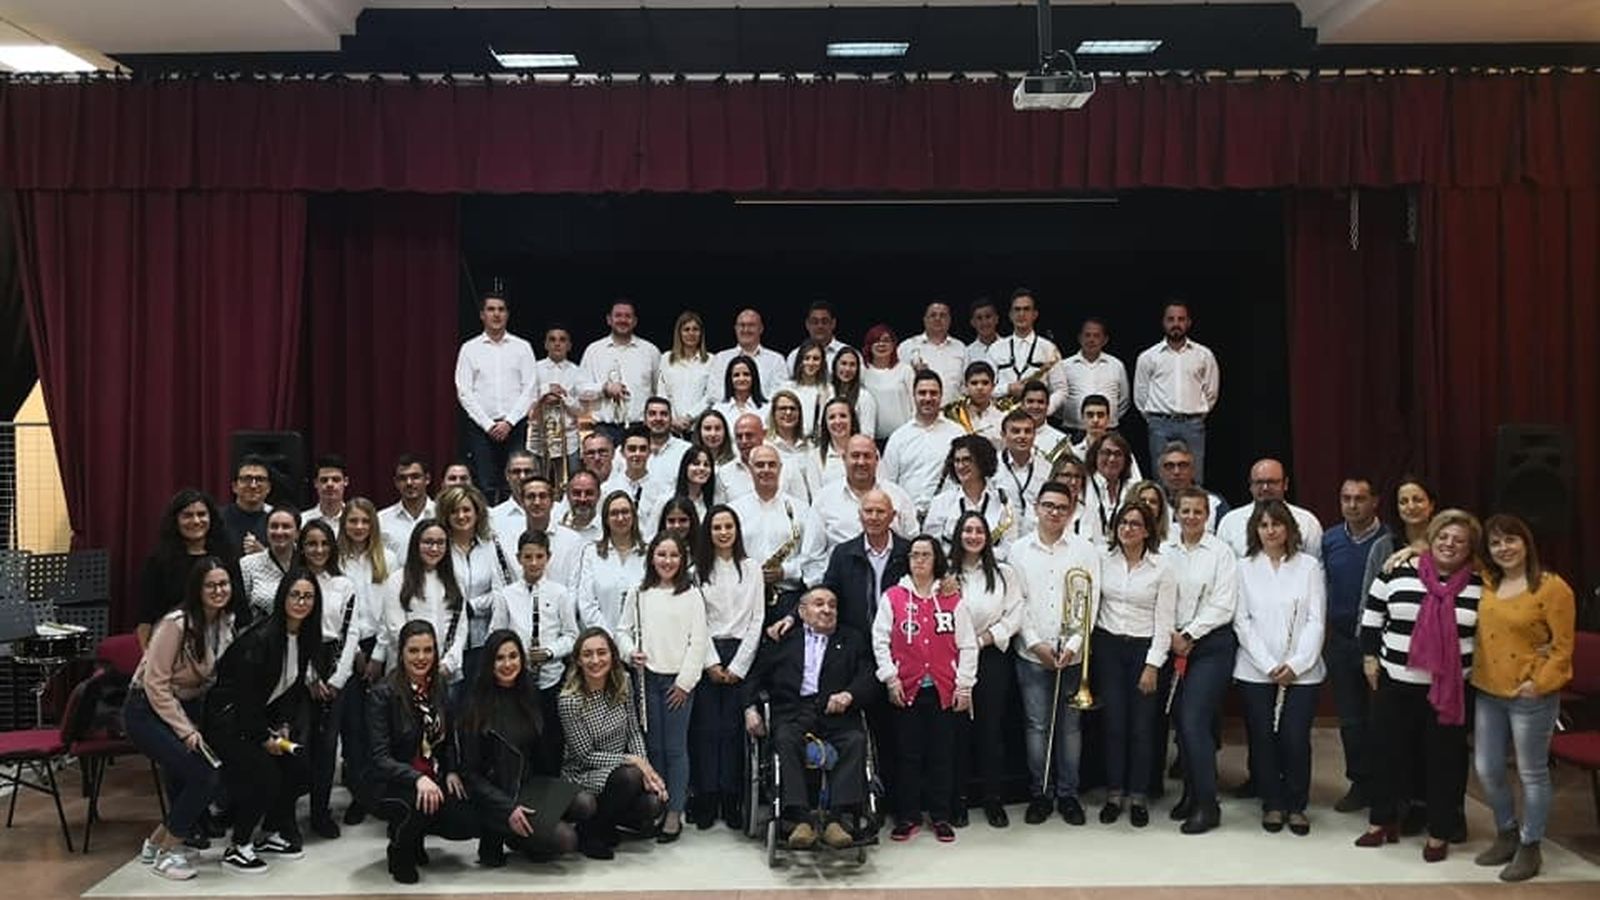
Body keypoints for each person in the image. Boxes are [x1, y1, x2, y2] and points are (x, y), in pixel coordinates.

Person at [1356, 509, 1484, 861]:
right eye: (1443, 536)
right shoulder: (1398, 569)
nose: (1449, 544)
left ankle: (1439, 832)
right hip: (1395, 683)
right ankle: (1381, 821)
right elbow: (1372, 615)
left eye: (1459, 540)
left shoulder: (1480, 583)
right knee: (1385, 754)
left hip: (1450, 691)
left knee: (1443, 763)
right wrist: (1369, 658)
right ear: (1431, 538)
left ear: (1470, 548)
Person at [1469, 515, 1576, 882]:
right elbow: (1445, 547)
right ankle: (1506, 832)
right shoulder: (1487, 581)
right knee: (1487, 767)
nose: (1504, 549)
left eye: (1510, 540)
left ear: (1526, 542)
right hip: (1488, 690)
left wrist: (1539, 683)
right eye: (1496, 543)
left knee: (1531, 773)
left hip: (1530, 695)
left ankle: (1531, 846)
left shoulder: (1551, 587)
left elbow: (1562, 649)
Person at [125, 558, 236, 881]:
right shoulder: (176, 623)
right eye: (211, 585)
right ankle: (168, 854)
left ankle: (155, 845)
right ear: (197, 590)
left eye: (223, 584)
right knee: (205, 776)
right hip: (146, 711)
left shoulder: (224, 623)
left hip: (183, 709)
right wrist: (186, 731)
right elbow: (154, 684)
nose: (219, 591)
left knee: (198, 775)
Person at [204, 570, 320, 873]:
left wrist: (282, 724)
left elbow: (290, 689)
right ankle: (238, 845)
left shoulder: (306, 637)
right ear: (282, 598)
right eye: (295, 595)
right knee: (265, 775)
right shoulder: (261, 639)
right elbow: (244, 698)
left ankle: (270, 832)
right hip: (227, 723)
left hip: (258, 720)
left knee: (301, 769)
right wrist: (262, 738)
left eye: (308, 596)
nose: (301, 602)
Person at [873, 534, 976, 843]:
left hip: (942, 690)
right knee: (908, 754)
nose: (919, 560)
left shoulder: (951, 599)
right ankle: (908, 815)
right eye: (914, 555)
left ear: (936, 561)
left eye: (925, 555)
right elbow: (880, 640)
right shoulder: (893, 597)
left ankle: (940, 815)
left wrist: (965, 686)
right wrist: (890, 678)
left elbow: (968, 645)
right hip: (906, 691)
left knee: (942, 755)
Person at [1009, 480, 1101, 825]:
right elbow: (1017, 602)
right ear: (1036, 508)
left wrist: (1074, 645)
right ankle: (1040, 793)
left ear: (1072, 511)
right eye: (1048, 506)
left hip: (1072, 656)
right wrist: (1035, 642)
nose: (1054, 513)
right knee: (1037, 726)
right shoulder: (1018, 550)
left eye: (1062, 507)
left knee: (1070, 728)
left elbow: (1090, 603)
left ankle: (1068, 795)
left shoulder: (1084, 550)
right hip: (1032, 653)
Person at [458, 629, 589, 866]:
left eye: (513, 656)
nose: (508, 664)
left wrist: (552, 796)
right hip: (500, 798)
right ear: (489, 663)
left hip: (530, 786)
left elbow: (542, 755)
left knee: (585, 803)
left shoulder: (530, 694)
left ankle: (534, 835)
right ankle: (513, 837)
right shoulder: (474, 706)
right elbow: (470, 775)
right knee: (566, 840)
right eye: (500, 658)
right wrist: (507, 808)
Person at [1233, 500, 1325, 836]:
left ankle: (1297, 804)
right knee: (1263, 738)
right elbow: (1241, 622)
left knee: (1295, 738)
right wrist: (1270, 665)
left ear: (1288, 528)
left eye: (1277, 524)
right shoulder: (1243, 567)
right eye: (1263, 525)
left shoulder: (1309, 566)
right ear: (1255, 530)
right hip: (1256, 669)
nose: (1270, 531)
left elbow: (1316, 620)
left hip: (1302, 672)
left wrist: (1298, 663)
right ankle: (1272, 802)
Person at [364, 620, 479, 884]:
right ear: (401, 652)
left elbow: (447, 740)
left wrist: (450, 771)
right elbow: (380, 759)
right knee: (416, 803)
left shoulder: (438, 685)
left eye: (428, 650)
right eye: (413, 651)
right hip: (389, 781)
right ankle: (399, 849)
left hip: (431, 773)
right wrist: (417, 779)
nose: (421, 657)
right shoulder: (383, 693)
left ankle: (415, 836)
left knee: (466, 819)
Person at [617, 533, 708, 842]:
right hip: (648, 679)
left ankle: (674, 812)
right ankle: (656, 804)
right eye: (661, 555)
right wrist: (630, 652)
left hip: (678, 683)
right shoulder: (639, 592)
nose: (667, 561)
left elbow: (698, 642)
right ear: (651, 558)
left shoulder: (692, 595)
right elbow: (622, 630)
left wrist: (685, 682)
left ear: (683, 560)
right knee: (653, 747)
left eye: (673, 556)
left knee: (675, 748)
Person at [1093, 501, 1176, 827]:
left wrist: (1153, 665)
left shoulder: (1162, 567)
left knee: (1142, 728)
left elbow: (1164, 620)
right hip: (1109, 646)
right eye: (1123, 523)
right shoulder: (1102, 560)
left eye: (1135, 524)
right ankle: (1115, 794)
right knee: (1114, 725)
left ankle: (1138, 795)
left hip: (1144, 649)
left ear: (1147, 530)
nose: (1128, 529)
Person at [1162, 487, 1238, 834]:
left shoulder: (1221, 552)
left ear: (1208, 516)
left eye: (1198, 512)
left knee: (1194, 722)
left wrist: (1190, 634)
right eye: (1185, 511)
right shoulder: (1164, 550)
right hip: (1173, 644)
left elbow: (1223, 604)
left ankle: (1208, 804)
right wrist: (1174, 637)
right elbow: (1159, 597)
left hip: (1210, 645)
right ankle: (1191, 793)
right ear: (1175, 513)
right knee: (1183, 722)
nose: (1191, 517)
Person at [559, 627, 668, 859]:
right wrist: (633, 762)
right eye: (587, 654)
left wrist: (646, 769)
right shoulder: (569, 700)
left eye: (602, 652)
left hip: (621, 772)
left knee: (653, 803)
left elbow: (633, 732)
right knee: (628, 777)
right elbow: (584, 756)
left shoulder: (624, 682)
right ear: (578, 660)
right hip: (583, 772)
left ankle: (604, 824)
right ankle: (591, 832)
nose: (595, 660)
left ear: (612, 656)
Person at [690, 505, 764, 829]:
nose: (723, 533)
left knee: (733, 731)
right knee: (707, 731)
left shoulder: (752, 569)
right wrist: (711, 662)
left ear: (737, 530)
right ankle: (707, 797)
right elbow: (697, 620)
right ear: (709, 532)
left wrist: (739, 664)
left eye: (728, 526)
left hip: (741, 652)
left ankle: (732, 798)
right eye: (717, 527)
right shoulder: (697, 570)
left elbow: (757, 618)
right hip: (707, 651)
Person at [947, 512, 1022, 828]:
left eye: (979, 531)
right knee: (956, 732)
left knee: (991, 730)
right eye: (967, 530)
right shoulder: (945, 574)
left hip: (991, 655)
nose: (973, 536)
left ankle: (993, 798)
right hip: (952, 659)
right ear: (958, 535)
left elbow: (1015, 613)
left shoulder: (1003, 573)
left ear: (987, 537)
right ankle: (958, 799)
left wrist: (984, 639)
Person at [1319, 477, 1387, 813]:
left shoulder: (1389, 541)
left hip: (1382, 643)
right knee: (1351, 719)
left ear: (1375, 501)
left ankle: (1388, 786)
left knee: (1383, 719)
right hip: (1342, 641)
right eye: (1346, 498)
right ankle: (1360, 782)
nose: (1352, 505)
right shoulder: (1329, 540)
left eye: (1360, 498)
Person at [490, 530, 580, 776]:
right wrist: (516, 655)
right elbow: (496, 636)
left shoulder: (560, 593)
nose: (533, 563)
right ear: (518, 558)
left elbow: (572, 636)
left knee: (551, 739)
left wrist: (550, 652)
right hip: (518, 681)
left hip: (551, 679)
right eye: (527, 557)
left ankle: (550, 795)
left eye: (539, 556)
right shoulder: (506, 595)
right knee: (522, 739)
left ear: (548, 557)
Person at [334, 498, 394, 824]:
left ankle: (382, 791)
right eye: (352, 522)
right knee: (353, 726)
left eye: (364, 522)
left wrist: (378, 655)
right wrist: (354, 651)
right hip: (347, 649)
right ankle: (360, 794)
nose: (359, 527)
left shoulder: (389, 559)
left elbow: (392, 610)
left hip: (382, 645)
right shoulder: (337, 561)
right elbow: (340, 611)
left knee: (381, 725)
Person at [298, 521, 359, 839]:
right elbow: (293, 632)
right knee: (301, 742)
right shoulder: (296, 581)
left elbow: (352, 633)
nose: (318, 550)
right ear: (302, 546)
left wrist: (337, 679)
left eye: (324, 543)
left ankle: (321, 812)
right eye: (311, 543)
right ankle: (289, 812)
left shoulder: (343, 583)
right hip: (301, 667)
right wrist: (309, 676)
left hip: (336, 666)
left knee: (327, 744)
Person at [455, 290, 539, 503]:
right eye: (491, 309)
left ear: (507, 314)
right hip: (482, 428)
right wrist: (488, 424)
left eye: (501, 309)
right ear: (482, 314)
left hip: (515, 426)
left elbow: (530, 388)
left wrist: (509, 422)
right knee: (486, 484)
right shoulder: (469, 349)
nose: (496, 314)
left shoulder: (522, 347)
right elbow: (464, 390)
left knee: (519, 480)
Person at [137, 489, 245, 648]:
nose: (196, 521)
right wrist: (148, 659)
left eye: (202, 514)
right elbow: (146, 618)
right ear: (176, 520)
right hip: (172, 645)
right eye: (187, 515)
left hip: (221, 644)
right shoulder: (158, 561)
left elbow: (240, 609)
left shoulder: (227, 556)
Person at [730, 445, 829, 613]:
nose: (766, 470)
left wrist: (786, 571)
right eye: (760, 465)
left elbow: (814, 559)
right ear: (750, 469)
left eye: (771, 464)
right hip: (744, 599)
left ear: (780, 468)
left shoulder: (802, 510)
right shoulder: (734, 510)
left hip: (788, 599)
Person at [1134, 299, 1219, 483]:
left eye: (1181, 319)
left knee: (1195, 479)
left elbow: (1211, 392)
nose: (1176, 324)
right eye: (1171, 319)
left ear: (1188, 323)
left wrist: (1196, 415)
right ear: (1164, 323)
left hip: (1193, 425)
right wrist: (1154, 420)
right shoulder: (1149, 356)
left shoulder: (1204, 355)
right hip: (1159, 425)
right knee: (1161, 480)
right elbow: (1140, 395)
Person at [437, 485, 514, 688]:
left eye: (466, 510)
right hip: (447, 643)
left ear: (477, 512)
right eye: (454, 511)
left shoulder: (492, 546)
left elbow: (504, 592)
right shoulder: (439, 548)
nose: (461, 516)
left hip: (483, 642)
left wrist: (473, 606)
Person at [380, 520, 470, 682]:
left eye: (440, 543)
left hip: (445, 672)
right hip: (407, 673)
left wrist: (448, 663)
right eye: (428, 542)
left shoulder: (455, 580)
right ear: (416, 544)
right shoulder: (397, 580)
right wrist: (423, 663)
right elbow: (396, 629)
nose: (434, 548)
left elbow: (461, 628)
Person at [882, 370, 966, 520]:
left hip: (947, 517)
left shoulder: (957, 434)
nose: (928, 398)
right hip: (906, 518)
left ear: (941, 396)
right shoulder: (898, 437)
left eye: (933, 393)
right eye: (922, 393)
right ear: (913, 396)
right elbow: (888, 483)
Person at [924, 434, 1018, 561]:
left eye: (967, 460)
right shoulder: (941, 502)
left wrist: (979, 556)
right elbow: (931, 547)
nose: (961, 466)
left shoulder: (1003, 503)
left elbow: (1009, 547)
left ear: (982, 461)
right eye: (957, 461)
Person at [579, 300, 662, 442]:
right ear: (609, 320)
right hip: (604, 428)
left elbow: (658, 391)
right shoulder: (593, 351)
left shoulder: (650, 351)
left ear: (635, 321)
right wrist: (604, 389)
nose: (623, 320)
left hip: (640, 427)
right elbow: (580, 390)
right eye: (618, 315)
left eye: (628, 316)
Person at [814, 435, 918, 546]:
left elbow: (913, 543)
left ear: (877, 460)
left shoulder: (898, 496)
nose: (861, 462)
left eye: (867, 456)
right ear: (844, 459)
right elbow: (812, 555)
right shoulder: (824, 499)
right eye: (855, 456)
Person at [1217, 459, 1324, 560]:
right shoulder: (1230, 522)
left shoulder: (1307, 522)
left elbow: (1316, 564)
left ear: (1285, 484)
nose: (1265, 488)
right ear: (1251, 485)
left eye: (1272, 482)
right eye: (1259, 482)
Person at [575, 491, 647, 633]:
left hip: (641, 642)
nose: (620, 518)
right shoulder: (591, 553)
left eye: (625, 512)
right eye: (614, 513)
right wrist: (609, 639)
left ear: (634, 516)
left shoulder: (649, 553)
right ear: (606, 519)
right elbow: (586, 603)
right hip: (604, 645)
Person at [1361, 475, 1439, 603]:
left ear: (1431, 505)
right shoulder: (1383, 547)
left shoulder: (1446, 544)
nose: (1411, 506)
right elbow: (1367, 600)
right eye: (1403, 502)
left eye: (1417, 500)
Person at [1052, 317, 1130, 429]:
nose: (1091, 340)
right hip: (1074, 430)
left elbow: (1124, 401)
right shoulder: (1064, 366)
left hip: (1108, 431)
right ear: (1079, 338)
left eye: (1096, 336)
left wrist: (1109, 419)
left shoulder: (1116, 365)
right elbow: (1056, 400)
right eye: (1087, 335)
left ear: (1105, 340)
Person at [531, 323, 586, 478]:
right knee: (537, 483)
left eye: (562, 340)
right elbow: (525, 399)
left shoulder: (578, 372)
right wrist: (546, 390)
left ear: (569, 345)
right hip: (539, 439)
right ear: (546, 344)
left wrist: (563, 397)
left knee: (572, 483)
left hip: (569, 440)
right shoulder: (534, 369)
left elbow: (582, 409)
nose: (557, 343)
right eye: (552, 339)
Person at [991, 288, 1062, 405]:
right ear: (1010, 315)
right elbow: (986, 388)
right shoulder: (995, 349)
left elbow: (1061, 390)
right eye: (1017, 309)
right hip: (1002, 417)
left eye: (1026, 309)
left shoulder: (1049, 349)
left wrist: (1045, 410)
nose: (1021, 314)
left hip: (1037, 417)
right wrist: (1008, 389)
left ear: (1035, 314)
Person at [708, 308, 789, 397]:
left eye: (751, 325)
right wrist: (735, 407)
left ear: (761, 329)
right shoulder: (721, 358)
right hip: (727, 410)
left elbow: (780, 392)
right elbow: (714, 392)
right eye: (742, 325)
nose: (746, 330)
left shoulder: (776, 360)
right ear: (735, 329)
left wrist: (758, 409)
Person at [655, 311, 714, 432]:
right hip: (671, 426)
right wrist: (672, 419)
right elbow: (662, 392)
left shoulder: (711, 360)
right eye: (686, 329)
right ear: (679, 333)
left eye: (695, 329)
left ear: (701, 333)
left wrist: (689, 417)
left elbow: (710, 396)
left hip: (699, 427)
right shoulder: (666, 358)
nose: (691, 333)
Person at [239, 506, 301, 617]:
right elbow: (242, 610)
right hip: (261, 632)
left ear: (297, 533)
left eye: (286, 526)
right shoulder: (247, 564)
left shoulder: (308, 561)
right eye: (274, 526)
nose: (279, 531)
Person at [899, 301, 968, 400]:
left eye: (943, 315)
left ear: (949, 320)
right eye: (933, 315)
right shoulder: (907, 347)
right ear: (925, 320)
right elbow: (898, 384)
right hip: (918, 412)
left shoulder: (960, 348)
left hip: (952, 412)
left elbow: (966, 385)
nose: (938, 319)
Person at [1156, 440, 1227, 534]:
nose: (1176, 472)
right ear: (1160, 472)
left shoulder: (1214, 503)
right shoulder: (1153, 503)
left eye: (1183, 465)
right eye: (1169, 466)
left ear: (1193, 470)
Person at [998, 408, 1051, 534]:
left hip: (1036, 537)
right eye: (1016, 431)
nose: (1022, 436)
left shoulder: (1047, 468)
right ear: (1003, 435)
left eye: (1028, 431)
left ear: (1034, 435)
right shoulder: (992, 467)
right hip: (1001, 538)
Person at [1068, 395, 1144, 482]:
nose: (1095, 420)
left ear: (1108, 419)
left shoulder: (1121, 452)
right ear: (1082, 418)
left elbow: (1135, 483)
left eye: (1100, 415)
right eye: (1090, 415)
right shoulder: (1073, 453)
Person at [861, 323, 916, 441]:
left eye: (886, 340)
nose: (881, 344)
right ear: (869, 345)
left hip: (904, 437)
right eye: (876, 341)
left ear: (893, 345)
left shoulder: (905, 370)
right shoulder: (862, 371)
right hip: (872, 438)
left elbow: (915, 404)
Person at [1082, 431, 1138, 544]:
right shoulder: (1082, 486)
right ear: (1095, 456)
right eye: (1106, 453)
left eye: (1118, 454)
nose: (1112, 459)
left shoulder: (1133, 490)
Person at [766, 389, 822, 502]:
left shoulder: (809, 447)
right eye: (782, 408)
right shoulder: (767, 447)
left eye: (793, 408)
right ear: (773, 414)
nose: (788, 412)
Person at [380, 454, 436, 565]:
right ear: (396, 483)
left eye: (415, 477)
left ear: (427, 479)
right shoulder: (381, 520)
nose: (409, 483)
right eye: (402, 478)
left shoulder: (441, 514)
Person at [603, 425, 665, 516]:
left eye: (642, 449)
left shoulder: (662, 490)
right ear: (622, 452)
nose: (637, 454)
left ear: (649, 452)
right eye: (632, 449)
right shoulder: (607, 490)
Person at [219, 456, 274, 555]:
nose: (253, 485)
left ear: (268, 488)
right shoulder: (218, 518)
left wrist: (263, 554)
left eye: (260, 479)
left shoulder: (277, 521)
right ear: (234, 487)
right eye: (247, 479)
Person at [639, 397, 693, 490]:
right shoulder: (630, 450)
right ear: (644, 419)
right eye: (652, 414)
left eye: (664, 414)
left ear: (671, 419)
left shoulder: (686, 450)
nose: (658, 418)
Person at [784, 300, 850, 371]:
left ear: (833, 323)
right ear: (807, 324)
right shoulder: (795, 356)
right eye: (815, 322)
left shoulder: (849, 354)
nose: (820, 326)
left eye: (824, 321)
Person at [488, 450, 539, 540]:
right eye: (516, 472)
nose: (522, 477)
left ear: (537, 474)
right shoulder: (494, 517)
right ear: (507, 475)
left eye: (528, 471)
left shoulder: (556, 512)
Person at [829, 346, 878, 438]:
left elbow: (867, 434)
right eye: (843, 363)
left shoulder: (864, 397)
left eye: (852, 365)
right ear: (835, 365)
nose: (847, 369)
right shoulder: (826, 392)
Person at [786, 340, 832, 437]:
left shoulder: (829, 390)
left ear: (822, 362)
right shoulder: (787, 388)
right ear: (800, 360)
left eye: (816, 359)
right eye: (806, 358)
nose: (811, 363)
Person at [1019, 380, 1072, 463]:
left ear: (1047, 405)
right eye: (1030, 401)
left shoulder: (1060, 440)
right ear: (1022, 405)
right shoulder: (1009, 437)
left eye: (1040, 402)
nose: (1035, 406)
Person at [711, 355, 770, 425]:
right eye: (736, 375)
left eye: (746, 374)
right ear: (730, 379)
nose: (741, 379)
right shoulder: (719, 409)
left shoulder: (767, 408)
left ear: (754, 377)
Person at [816, 396, 861, 488]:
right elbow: (815, 496)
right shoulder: (815, 457)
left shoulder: (869, 451)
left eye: (843, 416)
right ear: (826, 424)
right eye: (832, 417)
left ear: (852, 420)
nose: (838, 421)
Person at [301, 455, 349, 533]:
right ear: (315, 483)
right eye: (324, 480)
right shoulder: (303, 521)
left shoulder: (356, 521)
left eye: (336, 480)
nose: (329, 484)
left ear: (346, 481)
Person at [557, 469, 603, 543]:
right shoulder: (556, 527)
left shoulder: (607, 530)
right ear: (568, 495)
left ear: (598, 495)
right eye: (577, 493)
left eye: (589, 493)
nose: (582, 499)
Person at [965, 296, 1003, 368]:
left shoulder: (1008, 347)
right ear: (972, 323)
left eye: (988, 317)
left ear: (996, 319)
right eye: (979, 318)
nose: (984, 322)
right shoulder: (967, 353)